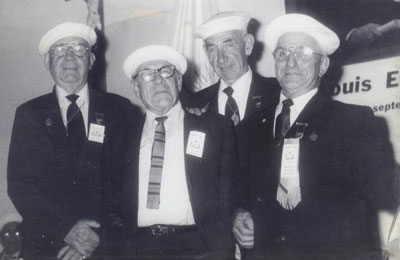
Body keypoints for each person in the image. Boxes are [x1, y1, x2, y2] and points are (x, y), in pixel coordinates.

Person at [233, 14, 398, 258]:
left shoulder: (354, 121)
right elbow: (237, 191)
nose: (291, 62)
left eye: (303, 53)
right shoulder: (250, 127)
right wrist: (238, 214)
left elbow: (384, 187)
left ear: (322, 66)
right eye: (283, 53)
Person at [7, 22, 137, 260]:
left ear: (92, 60)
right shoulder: (29, 114)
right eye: (60, 50)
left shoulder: (120, 110)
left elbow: (129, 183)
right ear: (47, 62)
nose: (69, 57)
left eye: (78, 49)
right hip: (48, 243)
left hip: (107, 244)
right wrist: (67, 229)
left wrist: (98, 236)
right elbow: (21, 185)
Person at [101, 45, 236, 259]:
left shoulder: (215, 128)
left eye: (166, 72)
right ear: (136, 88)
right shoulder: (120, 137)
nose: (158, 81)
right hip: (138, 248)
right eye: (146, 75)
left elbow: (229, 192)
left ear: (179, 81)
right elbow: (110, 201)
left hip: (200, 247)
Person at [184, 11, 280, 167]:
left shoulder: (277, 93)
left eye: (228, 45)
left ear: (247, 45)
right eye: (212, 49)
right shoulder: (194, 104)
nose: (221, 58)